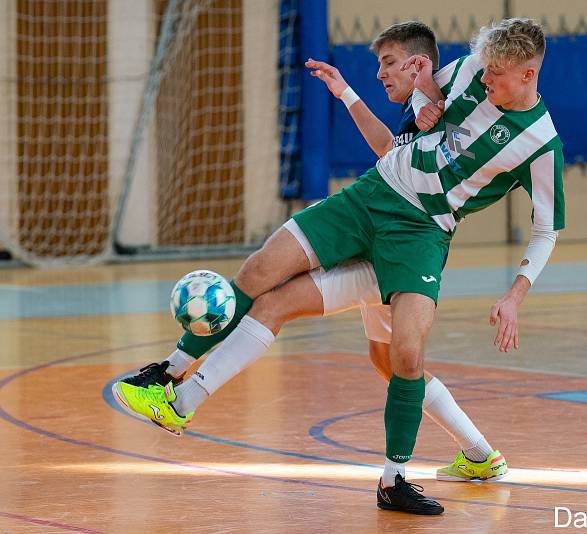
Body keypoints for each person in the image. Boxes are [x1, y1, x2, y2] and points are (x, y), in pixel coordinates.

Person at [114, 18, 563, 515]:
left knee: (403, 359)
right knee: (263, 273)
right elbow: (419, 116)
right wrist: (426, 90)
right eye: (484, 69)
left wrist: (514, 294)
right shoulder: (474, 69)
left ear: (528, 75)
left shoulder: (541, 144)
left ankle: (398, 480)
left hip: (419, 235)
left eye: (496, 75)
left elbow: (546, 230)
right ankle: (171, 381)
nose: (484, 80)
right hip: (371, 197)